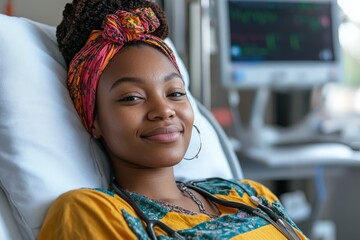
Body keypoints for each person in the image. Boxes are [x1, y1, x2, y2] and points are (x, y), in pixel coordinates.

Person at [38, 0, 308, 239]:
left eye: (175, 93)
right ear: (93, 119)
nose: (164, 110)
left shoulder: (248, 194)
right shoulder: (89, 212)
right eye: (132, 97)